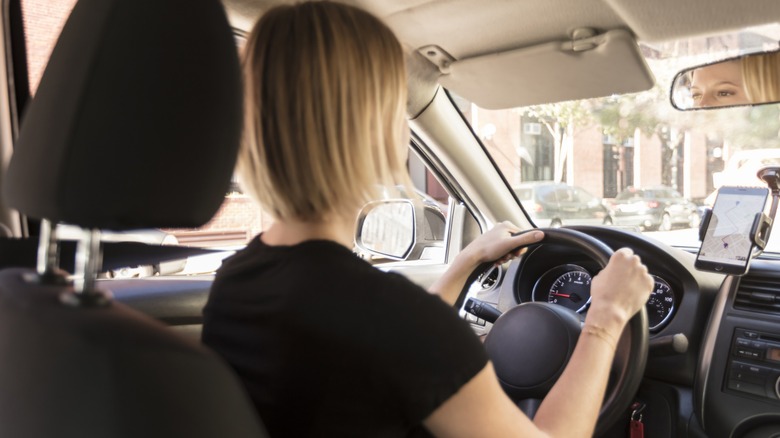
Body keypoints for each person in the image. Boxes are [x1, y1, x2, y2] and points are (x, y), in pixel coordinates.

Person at [201, 2, 654, 436]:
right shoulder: (388, 316)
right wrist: (606, 317)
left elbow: (388, 344)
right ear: (371, 128)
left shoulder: (236, 282)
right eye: (397, 105)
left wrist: (469, 259)